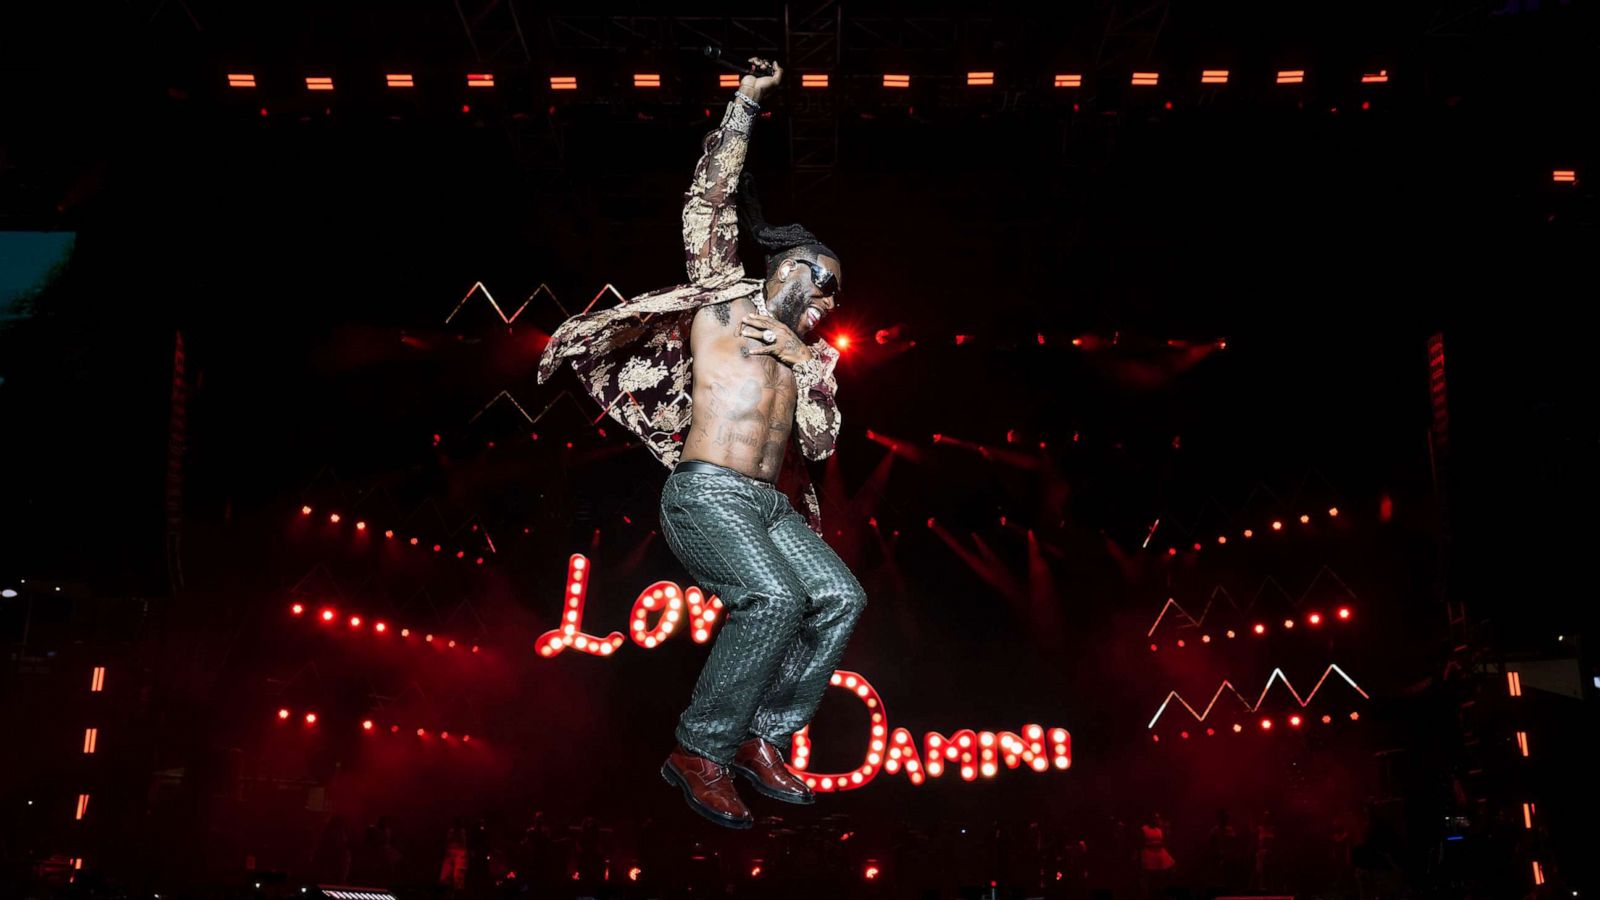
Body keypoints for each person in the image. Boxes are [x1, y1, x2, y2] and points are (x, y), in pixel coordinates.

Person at [539, 56, 866, 830]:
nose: (830, 305)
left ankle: (763, 738)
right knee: (773, 596)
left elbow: (819, 443)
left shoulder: (811, 358)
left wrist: (802, 366)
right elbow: (709, 200)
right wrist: (746, 105)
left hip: (771, 509)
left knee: (838, 596)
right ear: (795, 268)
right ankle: (700, 749)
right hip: (708, 492)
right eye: (827, 287)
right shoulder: (722, 304)